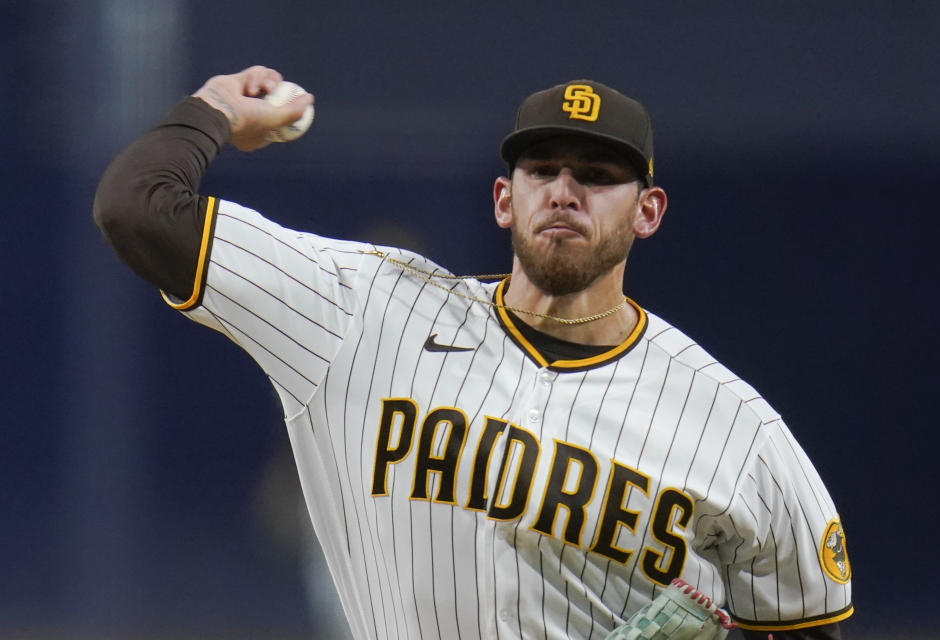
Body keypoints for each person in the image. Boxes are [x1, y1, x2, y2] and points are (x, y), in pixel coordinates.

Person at [93, 65, 852, 640]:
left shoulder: (736, 431)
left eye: (597, 176)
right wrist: (216, 109)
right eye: (541, 170)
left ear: (647, 211)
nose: (564, 190)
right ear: (503, 198)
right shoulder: (361, 311)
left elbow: (813, 624)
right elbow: (137, 210)